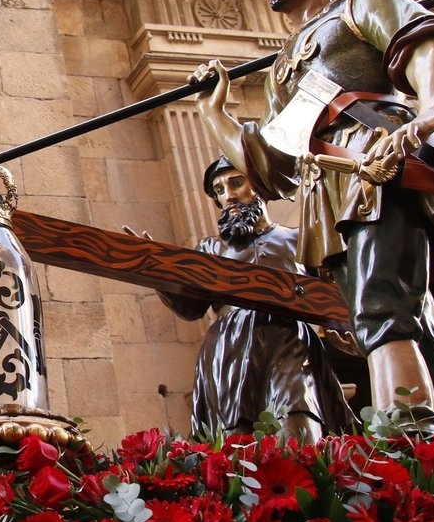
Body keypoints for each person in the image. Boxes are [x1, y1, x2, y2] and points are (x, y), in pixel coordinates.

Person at [192, 0, 434, 429]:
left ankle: (406, 441)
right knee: (403, 329)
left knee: (381, 310)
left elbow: (429, 42)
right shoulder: (285, 64)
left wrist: (430, 111)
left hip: (377, 164)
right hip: (328, 195)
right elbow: (272, 163)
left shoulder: (363, 5)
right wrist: (213, 113)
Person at [151, 157, 354, 442]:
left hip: (289, 340)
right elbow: (190, 306)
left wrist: (347, 331)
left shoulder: (299, 240)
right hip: (230, 347)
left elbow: (334, 297)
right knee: (238, 439)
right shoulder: (211, 248)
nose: (228, 195)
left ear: (259, 185)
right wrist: (156, 274)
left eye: (236, 183)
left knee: (300, 422)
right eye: (219, 191)